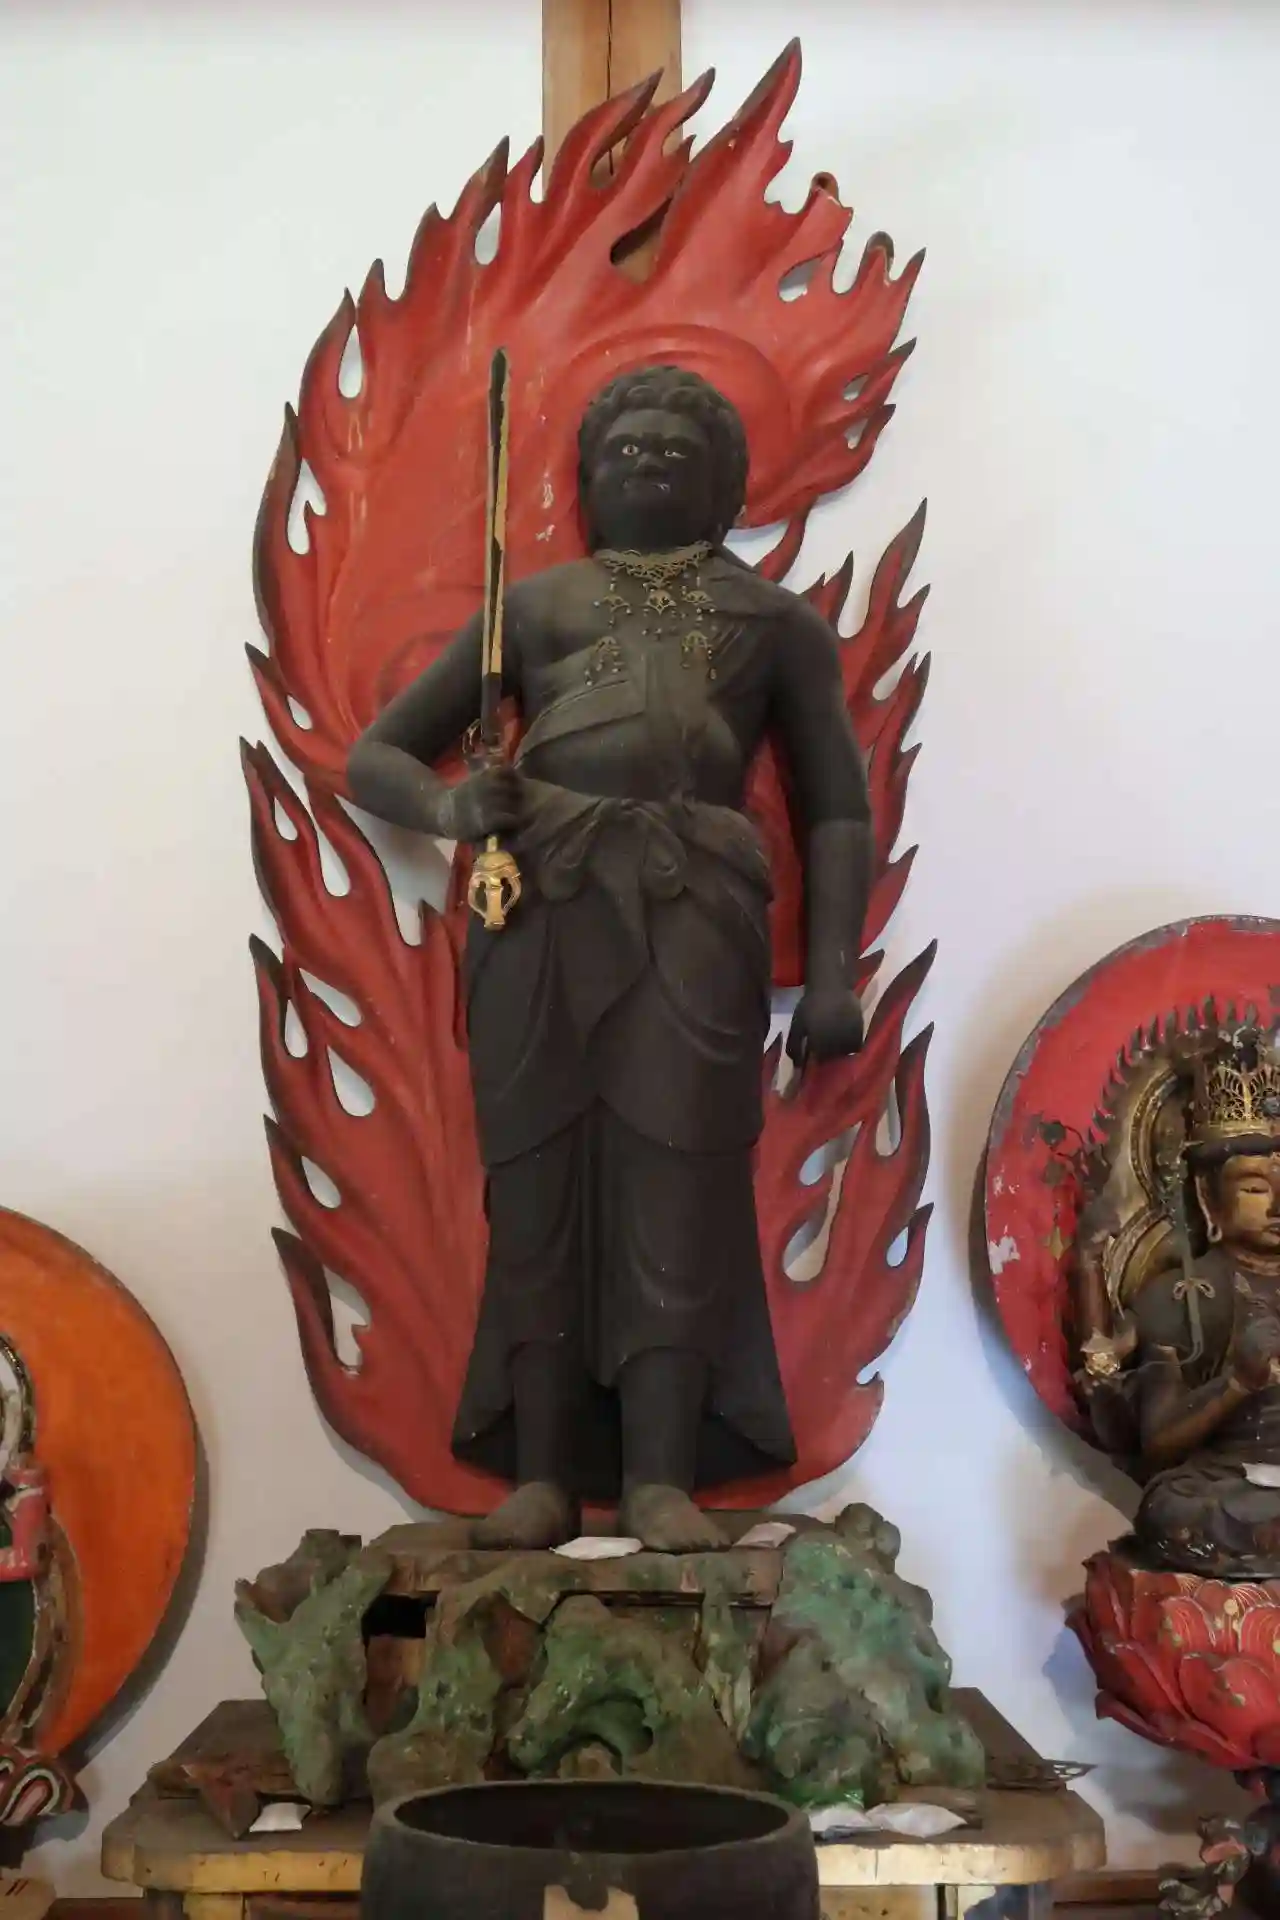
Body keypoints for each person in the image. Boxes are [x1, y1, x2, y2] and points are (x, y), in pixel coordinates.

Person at [348, 365, 871, 1552]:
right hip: (540, 904)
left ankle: (657, 1475)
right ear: (584, 481)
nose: (645, 464)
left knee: (675, 1178)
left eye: (673, 452)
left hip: (693, 911)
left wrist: (834, 973)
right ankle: (539, 1468)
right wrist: (451, 809)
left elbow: (837, 806)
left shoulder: (772, 623)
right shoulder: (533, 610)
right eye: (623, 450)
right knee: (536, 1179)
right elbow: (377, 757)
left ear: (725, 486)